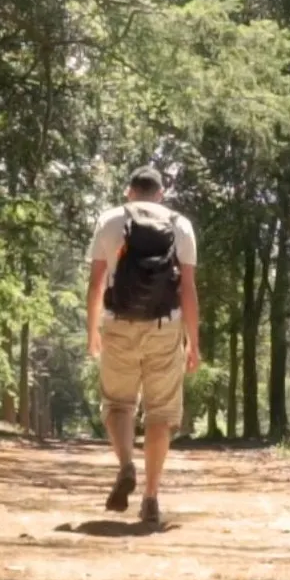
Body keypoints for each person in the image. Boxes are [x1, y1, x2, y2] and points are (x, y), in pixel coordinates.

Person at [86, 166, 199, 525]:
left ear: (128, 191)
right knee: (161, 414)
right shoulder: (180, 225)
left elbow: (96, 283)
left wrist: (92, 331)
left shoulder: (109, 220)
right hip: (166, 327)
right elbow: (188, 289)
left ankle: (126, 466)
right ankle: (150, 497)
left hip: (118, 325)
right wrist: (193, 341)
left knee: (117, 403)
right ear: (161, 193)